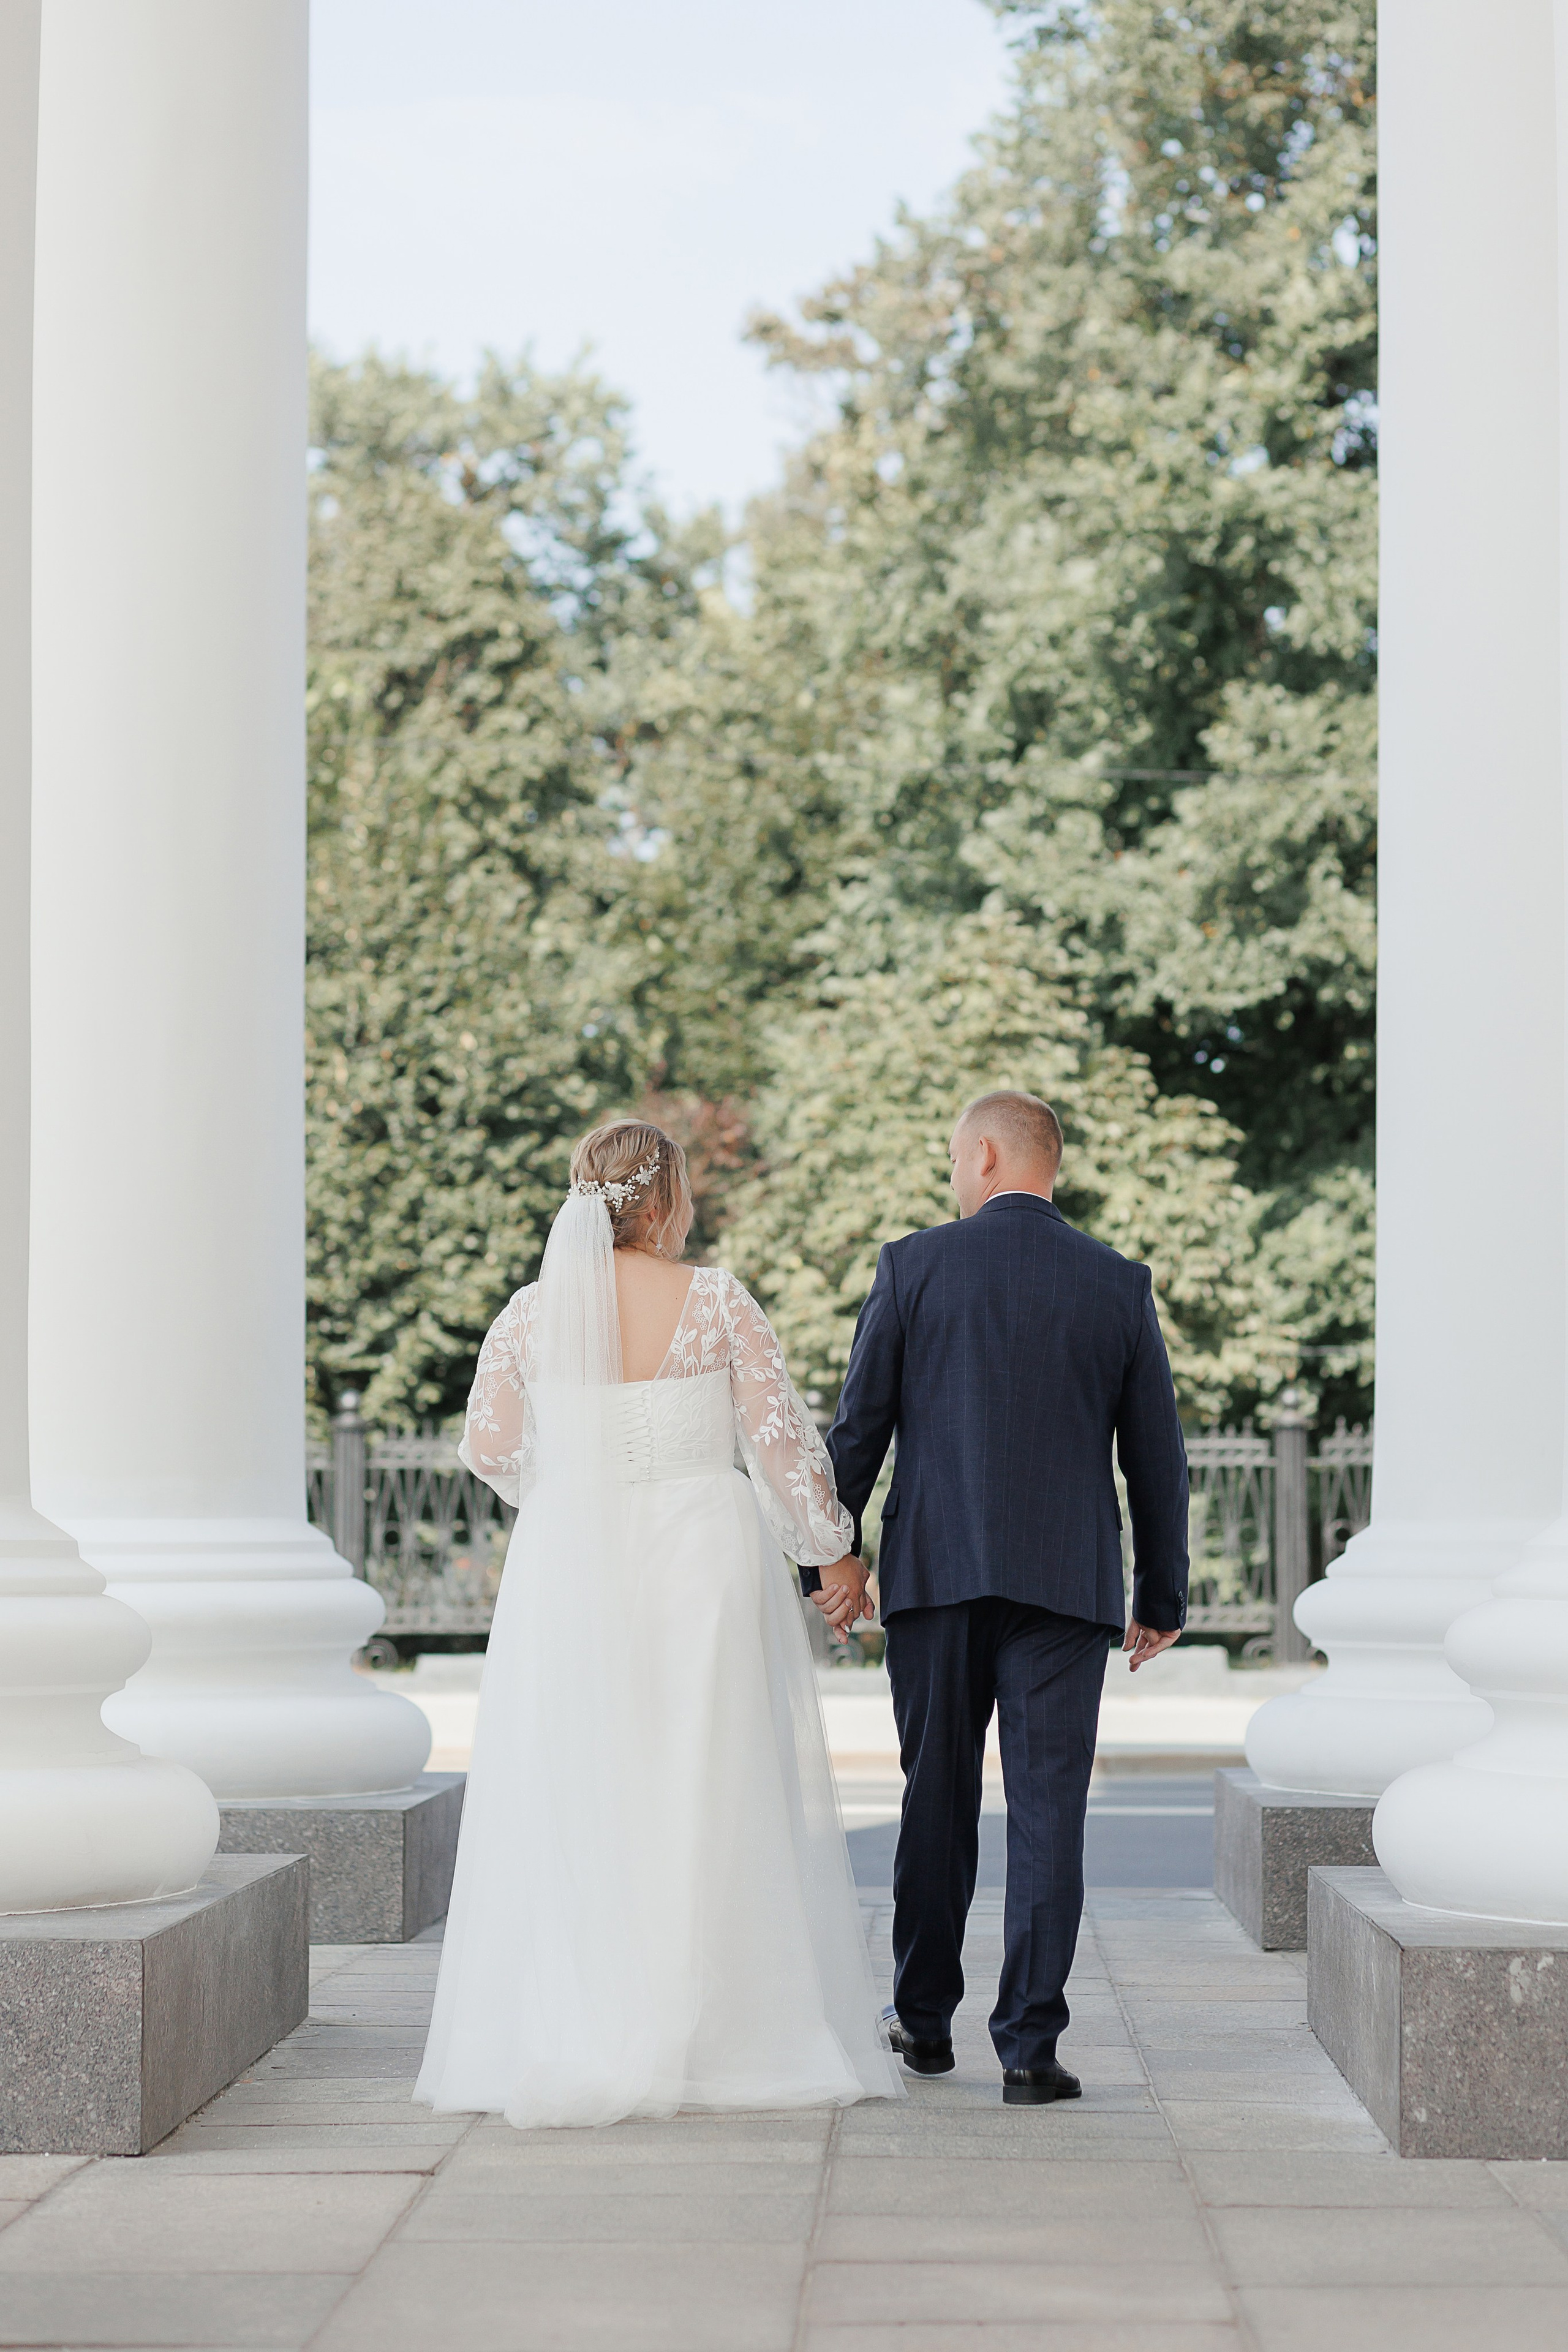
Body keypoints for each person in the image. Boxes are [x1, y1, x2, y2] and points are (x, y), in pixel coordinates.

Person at [414, 1118, 902, 2129]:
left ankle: (580, 2019)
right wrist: (834, 1555)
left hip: (570, 1562)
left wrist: (575, 1493)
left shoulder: (527, 1315)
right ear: (665, 1199)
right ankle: (716, 2029)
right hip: (698, 1551)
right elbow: (779, 1444)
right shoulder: (716, 1298)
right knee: (705, 1778)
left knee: (585, 1781)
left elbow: (488, 1446)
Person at [823, 1090, 1189, 2106]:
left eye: (954, 1157)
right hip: (1068, 1590)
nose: (953, 1174)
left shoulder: (913, 1266)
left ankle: (926, 2025)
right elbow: (1158, 1457)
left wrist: (825, 1558)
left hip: (938, 1578)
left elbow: (860, 1430)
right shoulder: (1118, 1285)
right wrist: (1162, 1592)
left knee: (933, 1802)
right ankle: (1030, 2047)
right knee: (1048, 1816)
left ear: (983, 1154)